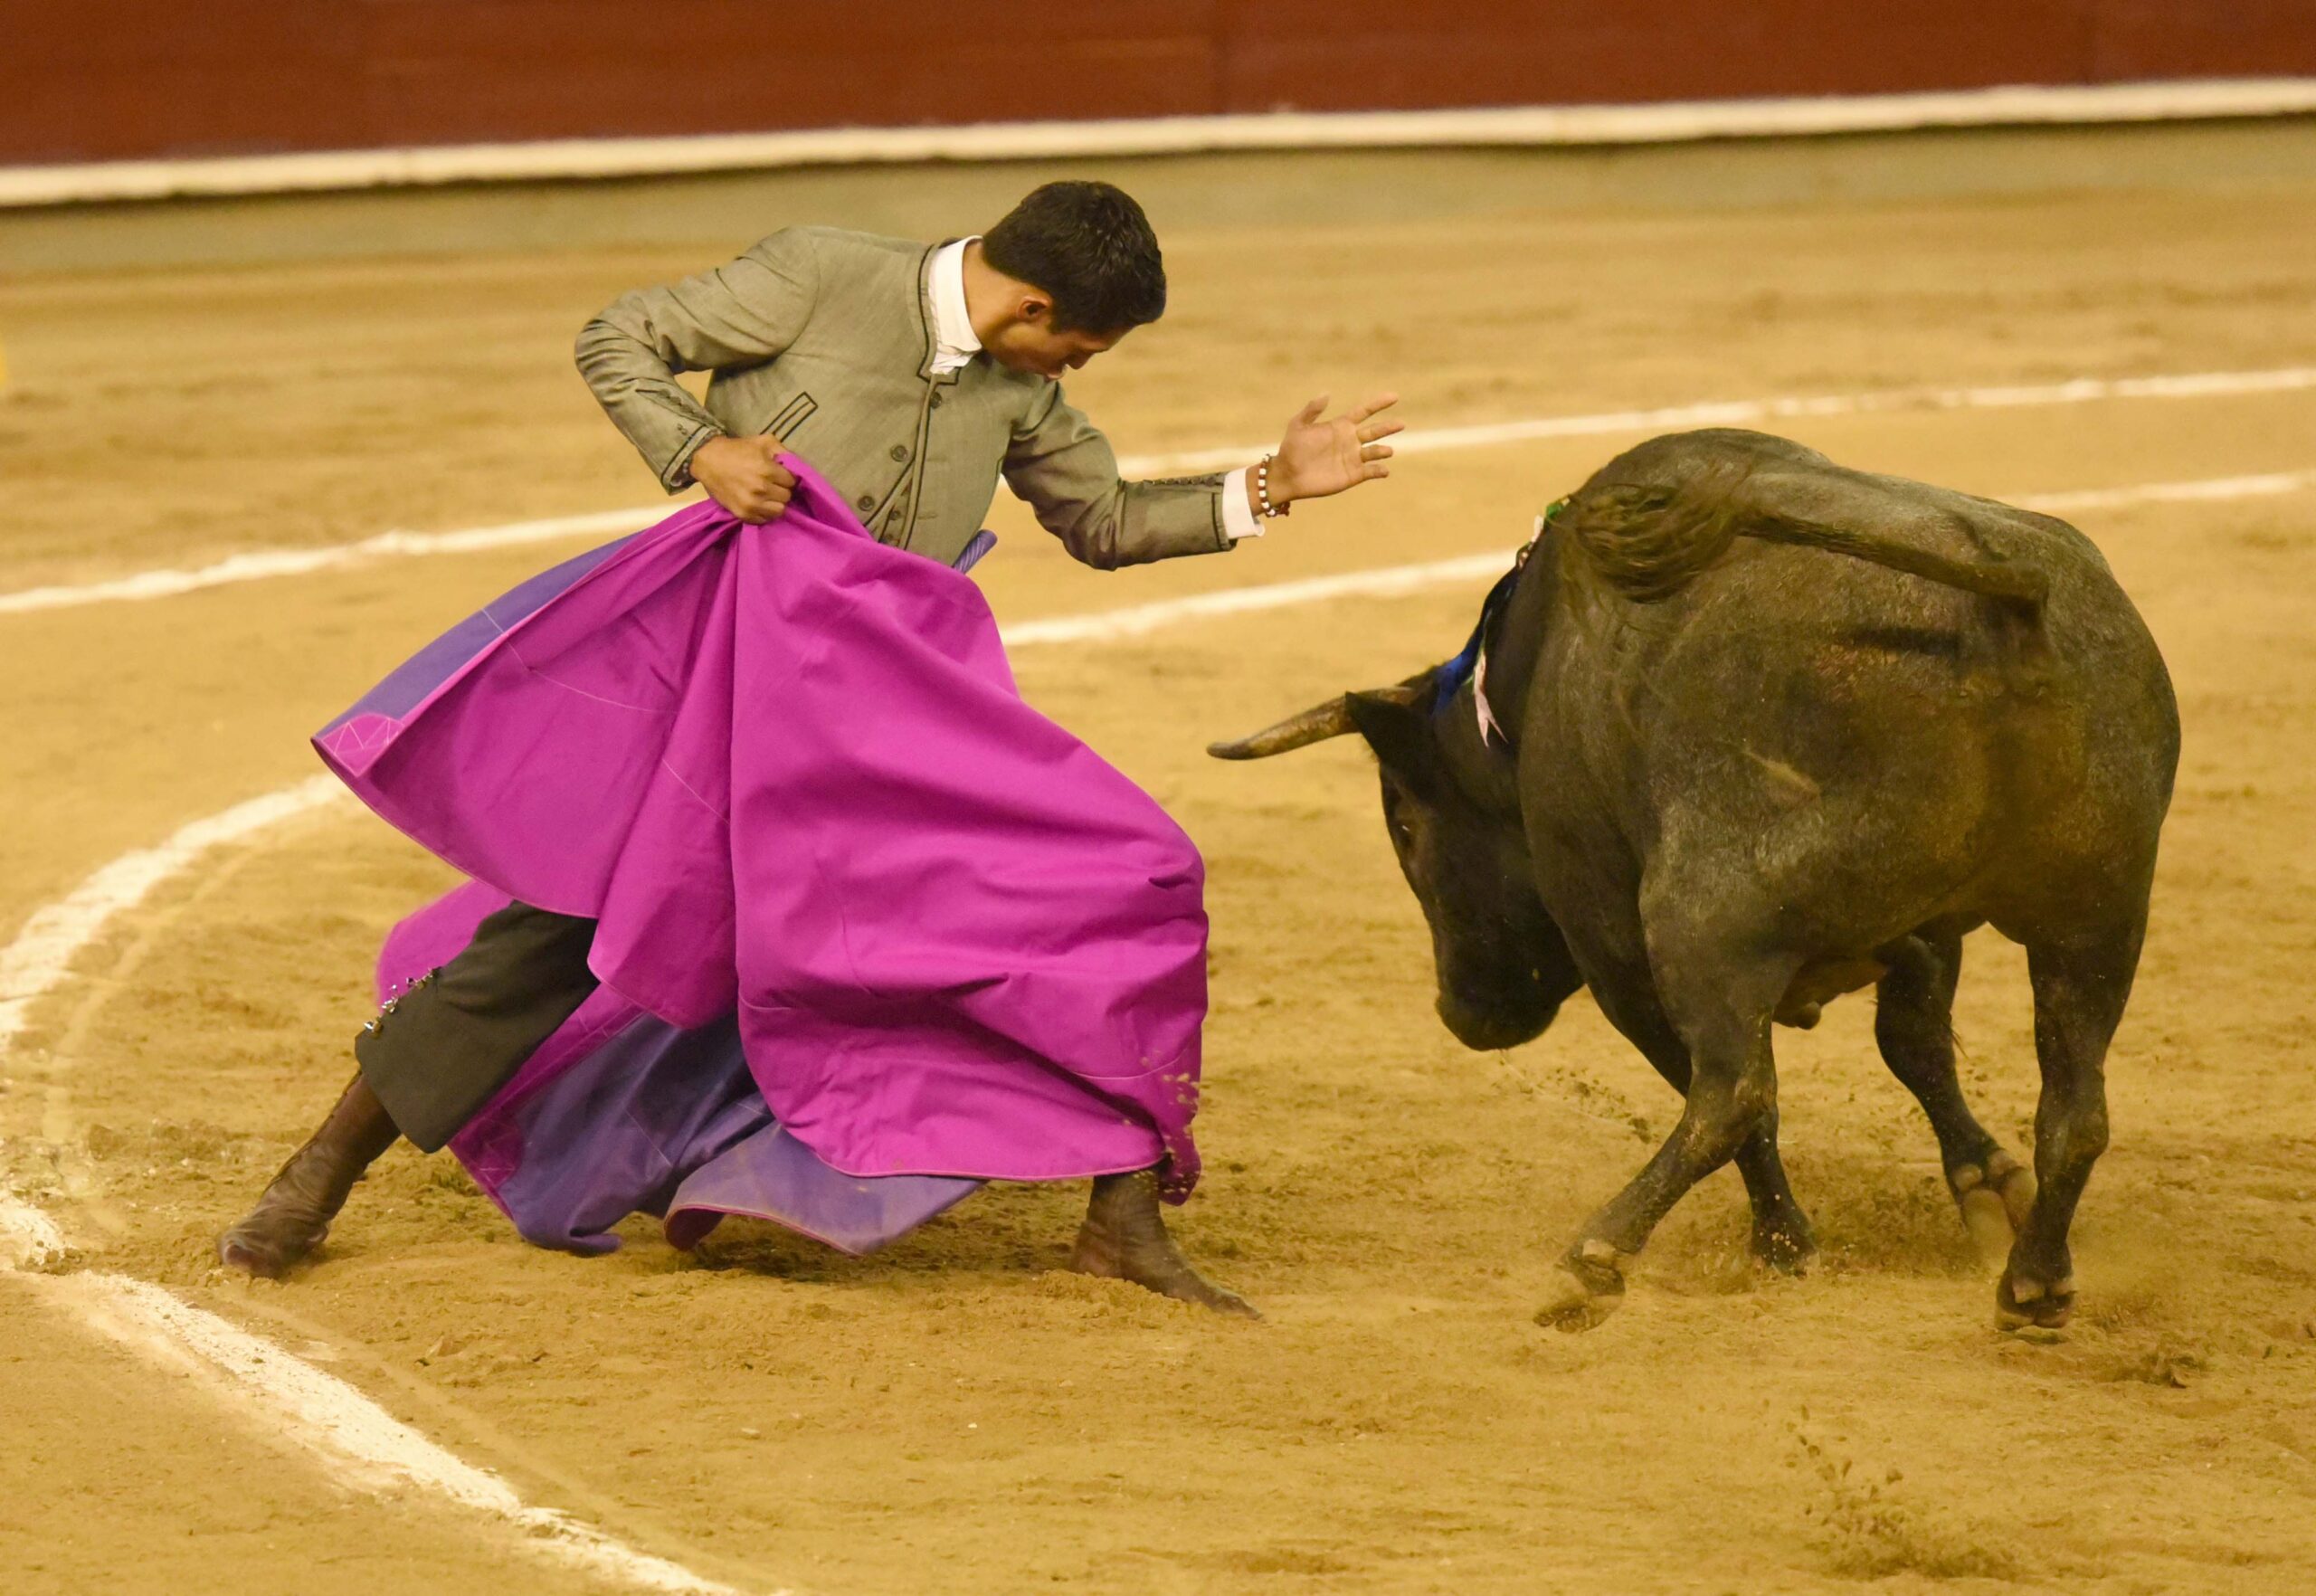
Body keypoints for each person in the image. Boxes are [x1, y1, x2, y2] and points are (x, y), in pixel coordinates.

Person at [217, 181, 1400, 1306]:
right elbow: (619, 336)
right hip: (731, 672)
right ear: (1033, 307)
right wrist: (699, 450)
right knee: (580, 925)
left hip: (890, 705)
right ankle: (317, 1175)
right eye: (1083, 347)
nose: (1079, 370)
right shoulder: (819, 275)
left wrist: (1268, 487)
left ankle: (1122, 1220)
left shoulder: (1020, 392)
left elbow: (1102, 519)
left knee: (1120, 872)